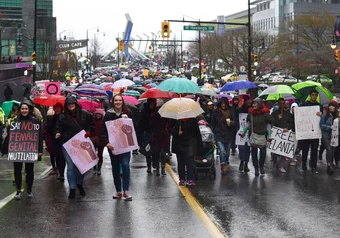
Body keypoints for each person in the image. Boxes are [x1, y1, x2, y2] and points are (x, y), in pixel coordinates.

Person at [55, 96, 94, 199]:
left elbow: (91, 124)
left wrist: (89, 131)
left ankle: (80, 184)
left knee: (81, 166)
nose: (71, 105)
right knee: (70, 166)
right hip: (67, 144)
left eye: (72, 103)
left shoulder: (85, 114)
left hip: (81, 143)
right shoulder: (62, 117)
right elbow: (58, 127)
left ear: (76, 104)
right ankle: (72, 188)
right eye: (69, 104)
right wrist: (58, 133)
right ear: (66, 106)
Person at [102, 94, 135, 201]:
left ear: (122, 101)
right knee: (115, 168)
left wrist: (128, 120)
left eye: (119, 100)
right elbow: (103, 131)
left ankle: (126, 190)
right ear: (113, 102)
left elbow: (133, 128)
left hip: (125, 146)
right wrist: (107, 143)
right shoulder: (108, 115)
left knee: (125, 165)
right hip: (113, 146)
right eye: (116, 100)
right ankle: (118, 191)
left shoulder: (128, 113)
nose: (118, 102)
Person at [13, 100, 43, 199]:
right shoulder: (15, 121)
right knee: (17, 170)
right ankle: (18, 190)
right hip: (17, 150)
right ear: (20, 110)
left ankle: (29, 190)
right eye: (22, 109)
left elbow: (39, 136)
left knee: (29, 171)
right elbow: (11, 136)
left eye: (26, 109)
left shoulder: (35, 121)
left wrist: (40, 150)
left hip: (30, 149)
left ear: (29, 109)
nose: (24, 110)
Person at [241, 98, 274, 176]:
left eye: (255, 103)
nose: (253, 105)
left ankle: (261, 166)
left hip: (263, 136)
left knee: (263, 154)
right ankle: (256, 168)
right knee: (254, 154)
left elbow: (272, 121)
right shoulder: (250, 113)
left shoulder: (265, 114)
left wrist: (268, 130)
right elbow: (248, 122)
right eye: (253, 104)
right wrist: (244, 131)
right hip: (253, 136)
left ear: (259, 104)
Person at [168, 117, 202, 187]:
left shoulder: (193, 120)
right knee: (181, 161)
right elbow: (169, 128)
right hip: (179, 142)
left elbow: (197, 133)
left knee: (190, 161)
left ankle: (190, 179)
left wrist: (200, 147)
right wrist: (177, 132)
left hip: (190, 141)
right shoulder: (175, 118)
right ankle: (182, 178)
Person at [299, 89, 323, 174]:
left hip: (315, 131)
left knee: (314, 148)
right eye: (313, 95)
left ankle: (313, 166)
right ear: (310, 95)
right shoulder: (305, 104)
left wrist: (321, 114)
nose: (314, 96)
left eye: (315, 95)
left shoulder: (319, 106)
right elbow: (299, 113)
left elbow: (323, 118)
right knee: (305, 148)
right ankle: (304, 163)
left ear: (317, 96)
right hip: (306, 131)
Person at [211, 98, 235, 174]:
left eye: (224, 104)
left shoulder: (231, 111)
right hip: (219, 134)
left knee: (227, 152)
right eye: (222, 104)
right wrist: (213, 132)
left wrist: (231, 123)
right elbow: (213, 123)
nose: (223, 105)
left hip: (228, 134)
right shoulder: (216, 112)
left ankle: (225, 160)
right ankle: (223, 165)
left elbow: (235, 121)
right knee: (222, 150)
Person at [271, 98, 294, 173]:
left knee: (284, 151)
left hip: (284, 134)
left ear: (284, 104)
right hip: (276, 134)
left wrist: (287, 128)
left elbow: (291, 123)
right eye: (280, 103)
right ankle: (275, 163)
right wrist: (278, 119)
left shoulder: (288, 114)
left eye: (282, 103)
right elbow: (272, 124)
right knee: (275, 151)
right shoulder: (274, 114)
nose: (281, 105)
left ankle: (281, 165)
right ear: (278, 104)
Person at [137, 98, 156, 173]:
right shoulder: (144, 112)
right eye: (152, 102)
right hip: (146, 133)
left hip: (155, 133)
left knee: (155, 150)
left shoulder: (157, 111)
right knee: (147, 150)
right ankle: (149, 166)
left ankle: (154, 163)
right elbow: (140, 123)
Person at [320, 100, 339, 175]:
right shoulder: (325, 114)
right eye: (330, 106)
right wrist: (329, 127)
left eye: (333, 106)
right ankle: (329, 165)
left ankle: (329, 165)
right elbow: (321, 125)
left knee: (332, 151)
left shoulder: (337, 115)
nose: (331, 107)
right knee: (329, 149)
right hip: (326, 135)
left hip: (334, 136)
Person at [149, 99, 168, 176]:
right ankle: (157, 167)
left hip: (163, 136)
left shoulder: (166, 116)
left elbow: (169, 125)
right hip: (156, 136)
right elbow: (150, 126)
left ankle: (163, 167)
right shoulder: (153, 116)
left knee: (163, 152)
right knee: (156, 153)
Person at [48, 103, 65, 181]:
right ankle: (59, 171)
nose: (57, 110)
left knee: (62, 157)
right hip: (55, 140)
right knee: (57, 157)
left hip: (64, 140)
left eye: (59, 108)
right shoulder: (52, 118)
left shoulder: (65, 117)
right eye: (56, 108)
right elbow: (49, 129)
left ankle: (62, 173)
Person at [92, 108, 105, 175]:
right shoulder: (92, 121)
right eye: (97, 114)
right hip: (93, 140)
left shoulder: (103, 122)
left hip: (101, 141)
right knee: (93, 155)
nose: (98, 115)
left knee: (100, 154)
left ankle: (99, 168)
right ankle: (94, 168)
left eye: (99, 114)